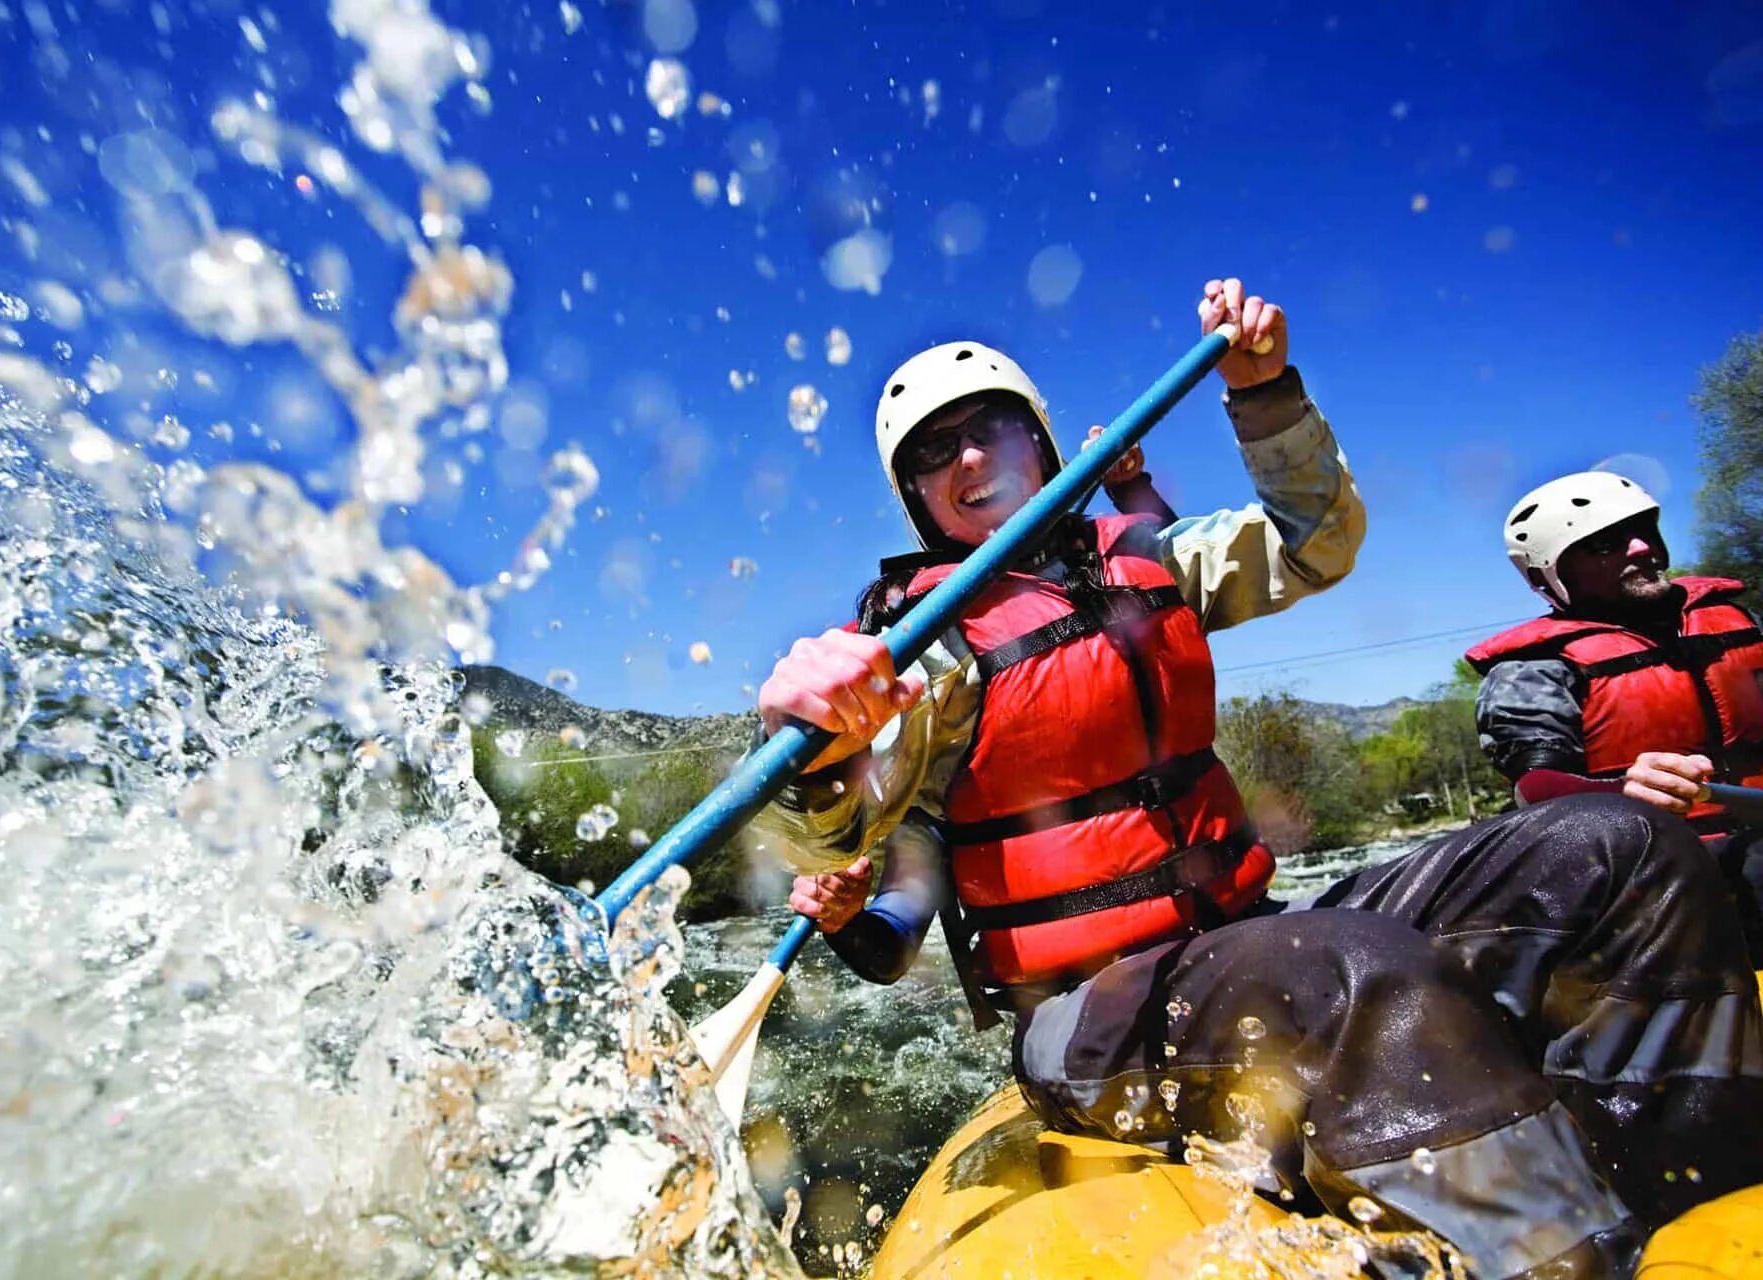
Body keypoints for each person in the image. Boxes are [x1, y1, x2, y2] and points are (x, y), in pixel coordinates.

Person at [752, 280, 1763, 1278]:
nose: (968, 457)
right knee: (1349, 969)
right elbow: (846, 829)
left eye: (991, 426)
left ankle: (1664, 1180)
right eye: (934, 451)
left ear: (1043, 443)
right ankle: (1558, 1259)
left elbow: (1315, 543)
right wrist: (818, 741)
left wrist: (1264, 392)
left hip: (1242, 930)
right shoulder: (922, 648)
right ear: (919, 497)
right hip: (1086, 1012)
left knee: (1618, 846)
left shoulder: (1148, 560)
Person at [1464, 472, 1763, 949]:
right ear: (1551, 573)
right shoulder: (1533, 670)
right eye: (1606, 544)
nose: (1643, 548)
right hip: (1658, 884)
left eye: (1646, 529)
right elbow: (1537, 789)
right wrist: (1622, 791)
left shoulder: (1740, 621)